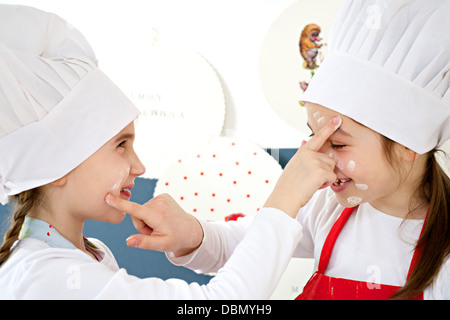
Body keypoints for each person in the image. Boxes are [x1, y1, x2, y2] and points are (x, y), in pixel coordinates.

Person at [0, 4, 341, 299]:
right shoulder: (46, 276)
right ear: (56, 165)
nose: (138, 166)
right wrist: (285, 198)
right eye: (121, 145)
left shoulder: (91, 253)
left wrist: (194, 233)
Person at [144, 0, 450, 300]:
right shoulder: (325, 207)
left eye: (338, 143)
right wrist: (191, 234)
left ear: (407, 145)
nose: (318, 158)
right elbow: (246, 246)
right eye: (313, 136)